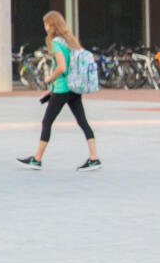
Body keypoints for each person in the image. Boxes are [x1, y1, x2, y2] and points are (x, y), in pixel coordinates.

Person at [17, 11, 101, 172]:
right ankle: (94, 158)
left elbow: (61, 67)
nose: (45, 27)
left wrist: (50, 78)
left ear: (51, 25)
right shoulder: (69, 41)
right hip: (73, 88)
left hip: (63, 88)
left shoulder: (55, 43)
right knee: (82, 121)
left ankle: (37, 159)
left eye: (46, 24)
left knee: (46, 122)